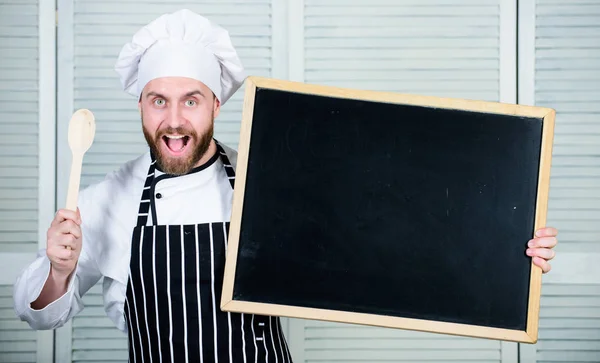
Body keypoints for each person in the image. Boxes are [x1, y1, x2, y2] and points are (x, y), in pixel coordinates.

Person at [12, 8, 558, 363]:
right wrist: (59, 272)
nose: (174, 120)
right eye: (159, 101)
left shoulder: (270, 177)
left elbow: (394, 245)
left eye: (190, 100)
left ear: (216, 106)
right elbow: (37, 313)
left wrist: (505, 248)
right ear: (141, 105)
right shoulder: (107, 197)